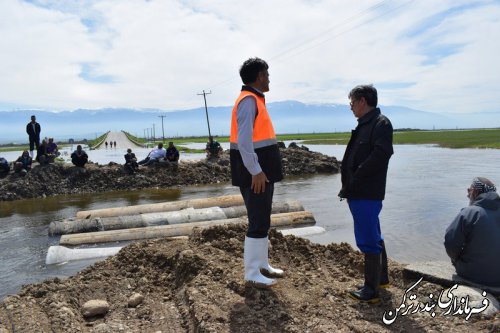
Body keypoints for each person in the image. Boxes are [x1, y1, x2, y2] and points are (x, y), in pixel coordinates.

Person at [230, 57, 284, 289]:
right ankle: (252, 272)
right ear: (259, 76)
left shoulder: (256, 100)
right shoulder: (249, 101)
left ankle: (262, 264)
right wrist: (257, 171)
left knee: (263, 219)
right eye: (267, 74)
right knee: (257, 221)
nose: (269, 78)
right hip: (256, 174)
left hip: (262, 172)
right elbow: (244, 142)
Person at [338, 84, 394, 303]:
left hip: (366, 192)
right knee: (374, 234)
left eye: (352, 103)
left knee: (368, 238)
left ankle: (371, 291)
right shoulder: (365, 124)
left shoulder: (380, 124)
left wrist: (357, 176)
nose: (351, 107)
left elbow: (382, 154)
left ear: (362, 101)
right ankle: (381, 279)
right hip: (359, 190)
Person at [444, 177, 500, 287]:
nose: (467, 194)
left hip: (473, 275)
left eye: (469, 190)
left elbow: (450, 243)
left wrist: (457, 259)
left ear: (474, 191)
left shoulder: (469, 213)